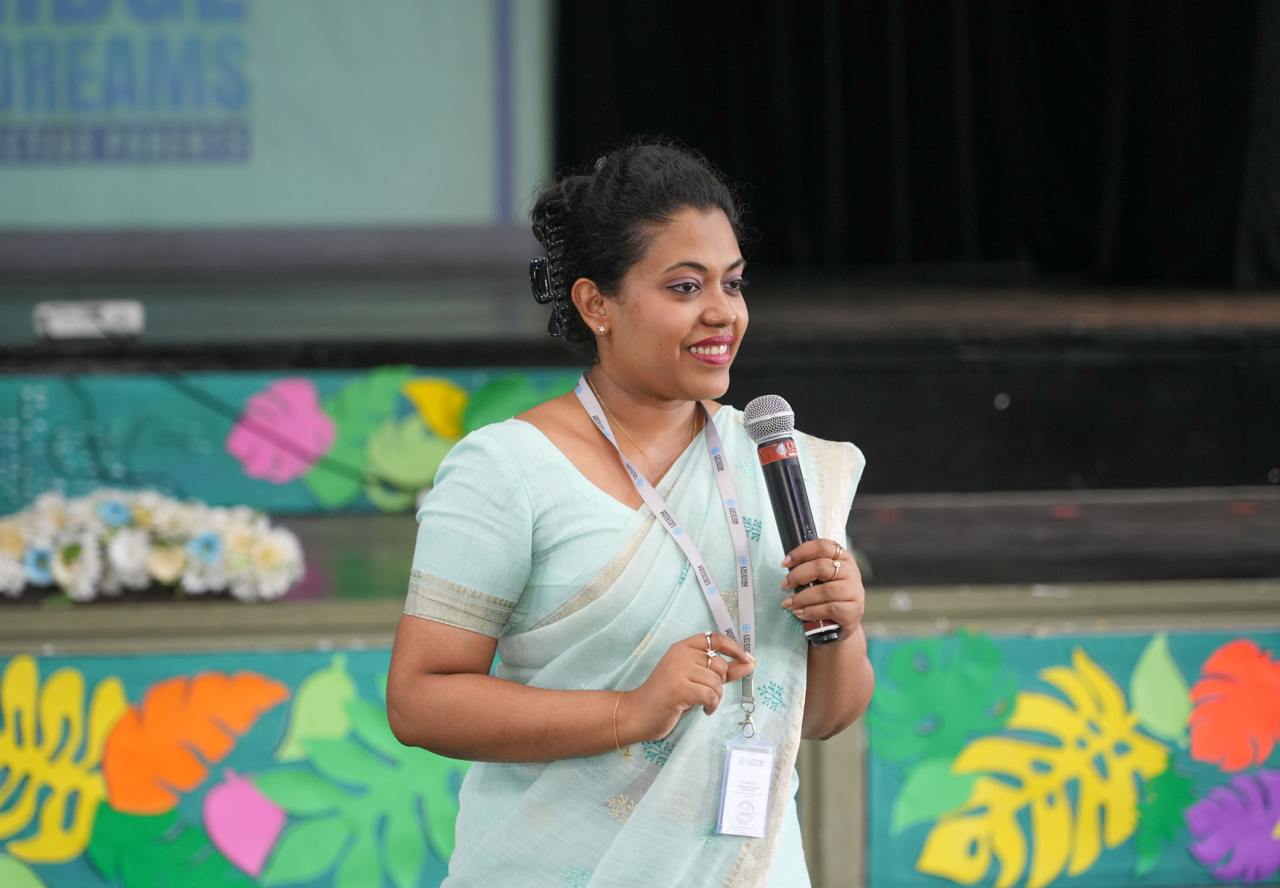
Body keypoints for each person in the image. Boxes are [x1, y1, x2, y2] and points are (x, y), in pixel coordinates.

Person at [387, 140, 873, 887]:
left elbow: (819, 716)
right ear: (595, 303)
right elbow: (420, 701)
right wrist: (629, 712)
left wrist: (842, 628)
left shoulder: (777, 465)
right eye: (685, 287)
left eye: (733, 285)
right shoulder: (508, 470)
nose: (722, 314)